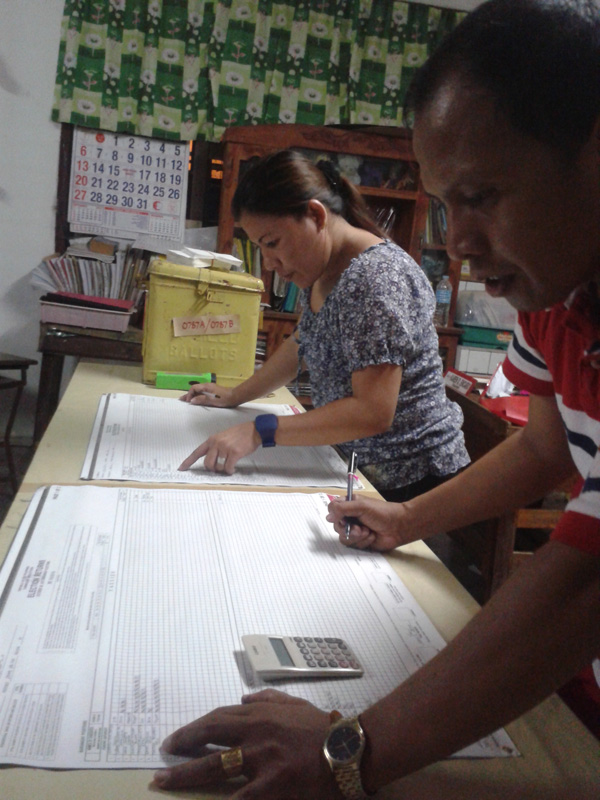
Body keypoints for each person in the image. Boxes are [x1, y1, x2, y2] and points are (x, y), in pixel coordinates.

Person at [152, 1, 600, 797]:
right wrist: (403, 518)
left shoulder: (385, 277)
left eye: (484, 196)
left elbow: (586, 575)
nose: (457, 245)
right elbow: (546, 447)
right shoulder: (554, 293)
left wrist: (352, 751)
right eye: (447, 203)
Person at [178, 149, 469, 502]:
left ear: (315, 215)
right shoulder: (324, 270)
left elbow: (372, 412)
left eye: (272, 243)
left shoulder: (374, 279)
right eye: (260, 248)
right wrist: (239, 394)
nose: (269, 263)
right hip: (358, 468)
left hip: (412, 483)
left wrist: (261, 430)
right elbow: (304, 340)